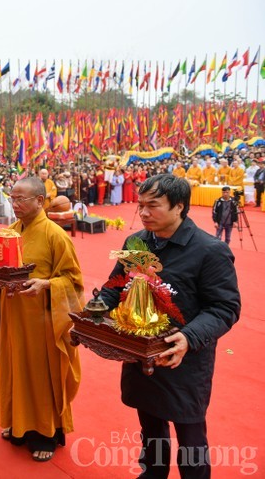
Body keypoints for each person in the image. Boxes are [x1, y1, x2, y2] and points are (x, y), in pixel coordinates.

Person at [99, 174, 240, 478]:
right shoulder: (136, 242)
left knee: (190, 437)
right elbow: (115, 286)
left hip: (184, 358)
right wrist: (95, 309)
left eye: (153, 206)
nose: (144, 213)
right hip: (140, 349)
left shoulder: (209, 251)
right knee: (150, 425)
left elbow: (225, 307)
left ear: (179, 207)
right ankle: (153, 473)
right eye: (141, 205)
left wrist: (189, 337)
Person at [0, 177, 83, 462]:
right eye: (12, 198)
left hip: (42, 324)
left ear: (40, 201)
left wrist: (47, 285)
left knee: (40, 377)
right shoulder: (9, 232)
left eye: (21, 199)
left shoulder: (55, 235)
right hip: (13, 316)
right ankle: (19, 425)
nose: (14, 204)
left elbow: (73, 281)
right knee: (15, 369)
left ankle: (45, 433)